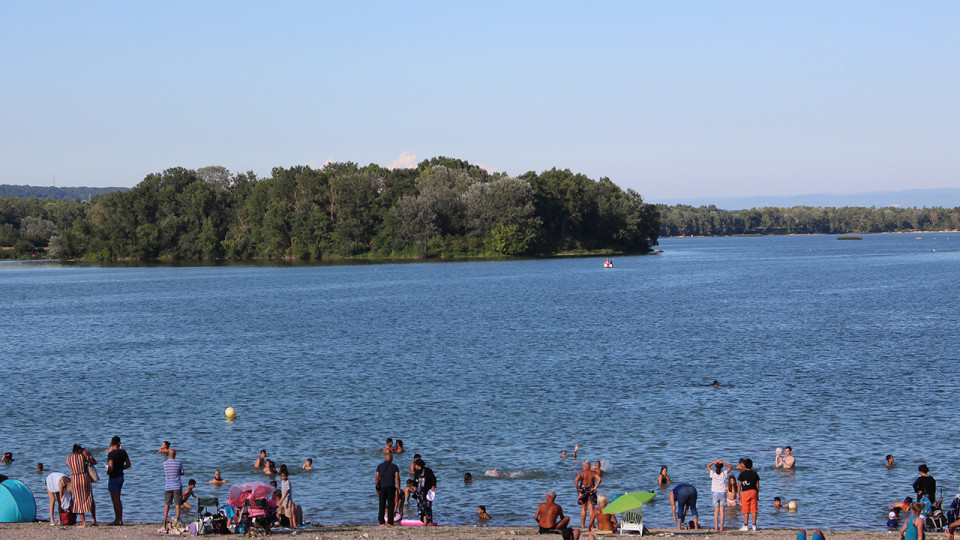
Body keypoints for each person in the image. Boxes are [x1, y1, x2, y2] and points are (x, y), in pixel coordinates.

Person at [66, 444, 97, 527]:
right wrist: (87, 454)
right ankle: (94, 519)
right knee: (90, 497)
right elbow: (94, 462)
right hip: (84, 478)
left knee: (78, 500)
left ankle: (83, 522)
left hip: (74, 479)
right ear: (79, 451)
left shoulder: (68, 458)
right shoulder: (83, 457)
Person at [106, 435, 131, 526]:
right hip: (121, 476)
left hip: (114, 477)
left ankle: (117, 520)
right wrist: (121, 468)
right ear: (118, 443)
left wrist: (108, 471)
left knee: (115, 499)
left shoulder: (111, 454)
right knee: (118, 499)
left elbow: (111, 467)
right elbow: (128, 464)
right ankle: (120, 519)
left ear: (112, 443)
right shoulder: (123, 452)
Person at [375, 452, 400, 526]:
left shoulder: (379, 466)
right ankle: (390, 522)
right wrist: (398, 488)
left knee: (381, 504)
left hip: (382, 487)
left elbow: (377, 477)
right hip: (391, 486)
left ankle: (381, 522)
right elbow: (397, 478)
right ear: (392, 459)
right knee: (391, 504)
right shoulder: (394, 466)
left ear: (385, 459)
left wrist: (377, 487)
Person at [162, 449, 185, 527]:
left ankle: (165, 518)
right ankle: (178, 518)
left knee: (167, 503)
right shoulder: (178, 463)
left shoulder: (165, 464)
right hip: (177, 486)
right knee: (177, 504)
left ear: (168, 455)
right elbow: (182, 472)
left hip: (168, 486)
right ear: (175, 455)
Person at [708, 459, 732, 530]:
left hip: (715, 493)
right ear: (721, 467)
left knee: (716, 511)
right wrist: (723, 462)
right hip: (722, 493)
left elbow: (708, 466)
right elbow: (730, 467)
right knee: (722, 511)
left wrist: (713, 462)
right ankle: (721, 527)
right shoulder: (723, 474)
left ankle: (716, 527)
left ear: (715, 467)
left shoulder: (713, 474)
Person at [575, 460, 601, 527]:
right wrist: (595, 487)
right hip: (591, 489)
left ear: (585, 466)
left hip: (583, 490)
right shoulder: (593, 473)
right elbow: (599, 479)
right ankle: (592, 525)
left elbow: (576, 480)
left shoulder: (582, 473)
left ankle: (583, 525)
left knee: (583, 509)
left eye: (583, 466)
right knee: (591, 509)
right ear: (589, 466)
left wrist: (577, 488)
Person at [413, 458, 437, 525]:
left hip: (427, 492)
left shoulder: (428, 471)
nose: (415, 466)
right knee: (420, 507)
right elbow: (415, 481)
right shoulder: (417, 472)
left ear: (419, 465)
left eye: (416, 465)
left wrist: (433, 486)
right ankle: (424, 521)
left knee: (427, 507)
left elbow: (433, 479)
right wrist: (414, 486)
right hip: (419, 492)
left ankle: (429, 521)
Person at [738, 458, 760, 531]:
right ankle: (754, 525)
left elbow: (739, 485)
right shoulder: (755, 473)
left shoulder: (742, 473)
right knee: (754, 509)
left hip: (745, 492)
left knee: (746, 509)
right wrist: (757, 493)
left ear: (744, 465)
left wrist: (738, 494)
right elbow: (757, 484)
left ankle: (745, 525)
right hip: (753, 491)